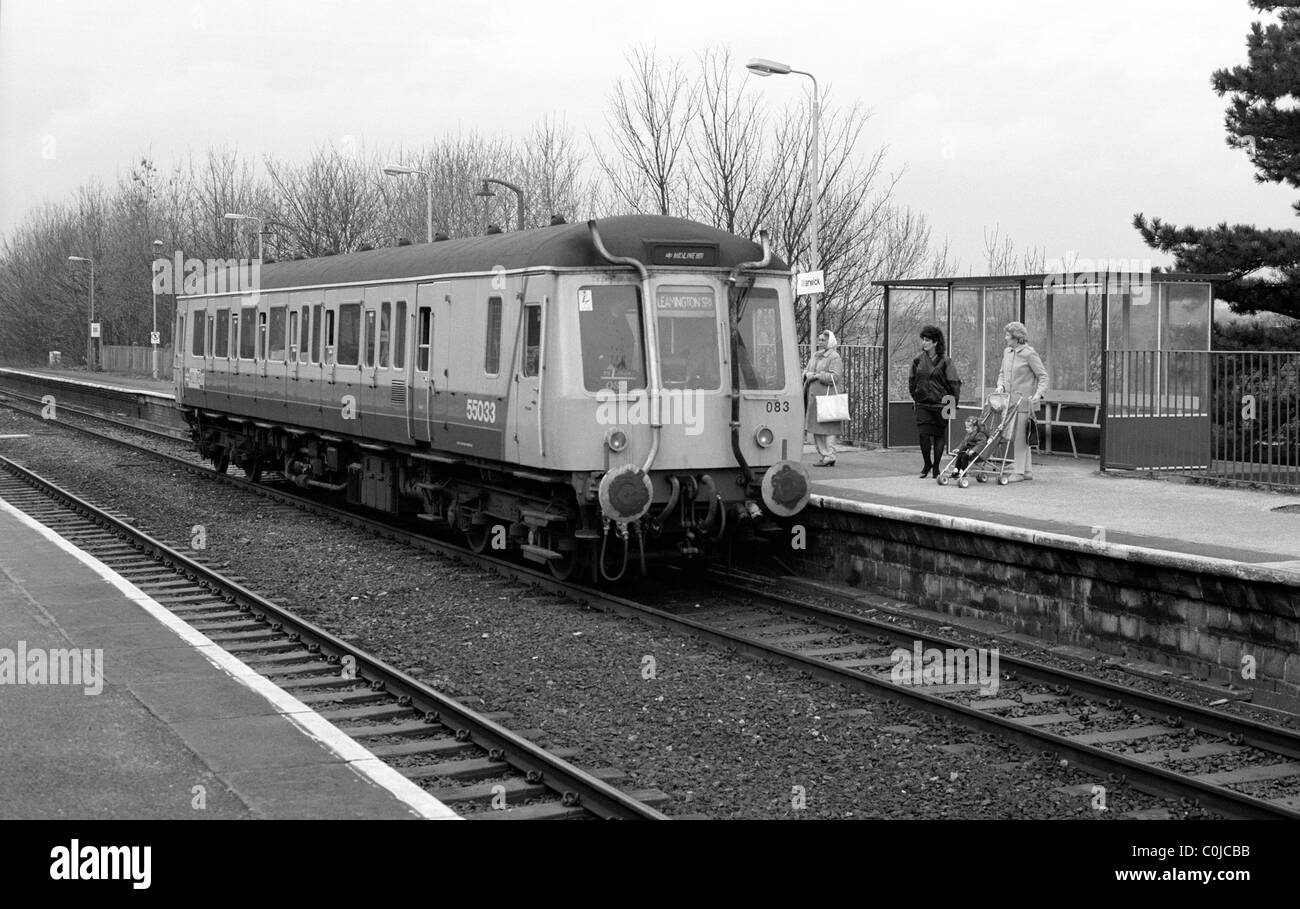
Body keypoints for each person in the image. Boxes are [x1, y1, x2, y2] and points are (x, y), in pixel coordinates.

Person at [995, 321, 1049, 482]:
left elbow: (1043, 376)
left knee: (1020, 437)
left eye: (1008, 335)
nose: (1005, 338)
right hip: (1010, 402)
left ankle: (1018, 472)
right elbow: (1002, 372)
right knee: (1017, 436)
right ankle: (1026, 471)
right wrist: (1000, 385)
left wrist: (1038, 394)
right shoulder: (1007, 352)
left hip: (1025, 402)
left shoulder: (1029, 353)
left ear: (1017, 337)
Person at [909, 325, 961, 479]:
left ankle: (937, 467)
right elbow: (911, 380)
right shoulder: (918, 360)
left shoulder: (946, 361)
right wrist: (916, 395)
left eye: (927, 340)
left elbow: (954, 383)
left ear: (935, 342)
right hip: (923, 403)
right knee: (923, 434)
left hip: (942, 404)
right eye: (923, 340)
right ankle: (927, 464)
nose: (923, 343)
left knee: (939, 435)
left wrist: (953, 403)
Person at [803, 329, 844, 466]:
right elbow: (807, 370)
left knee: (829, 427)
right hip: (814, 397)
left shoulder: (834, 357)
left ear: (830, 341)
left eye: (823, 340)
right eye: (819, 339)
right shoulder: (815, 355)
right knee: (816, 427)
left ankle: (830, 455)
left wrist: (817, 375)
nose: (820, 342)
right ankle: (824, 455)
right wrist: (807, 374)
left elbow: (835, 376)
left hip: (827, 397)